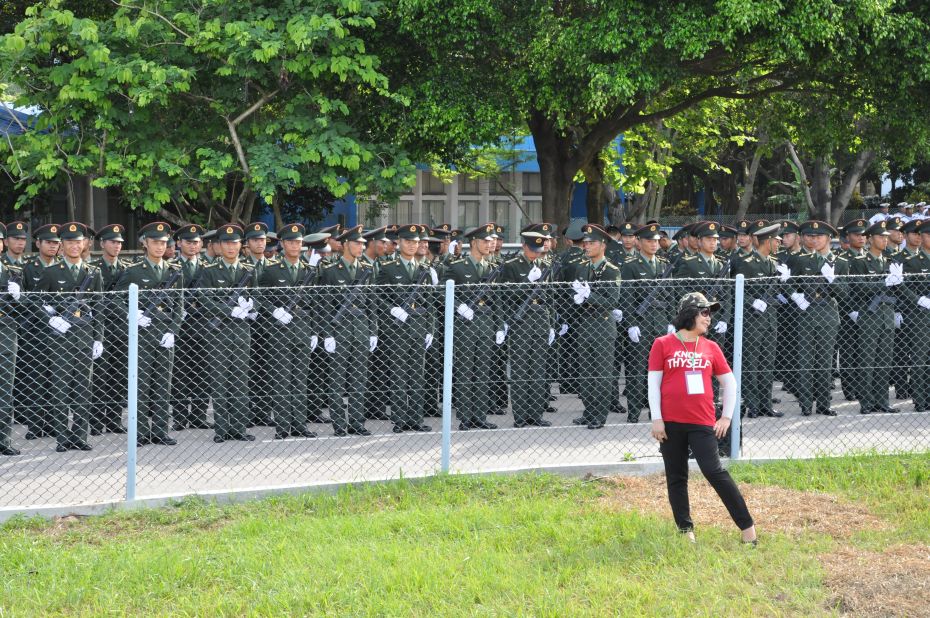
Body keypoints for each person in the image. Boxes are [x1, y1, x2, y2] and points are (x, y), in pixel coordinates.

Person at [648, 292, 757, 545]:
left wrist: (727, 418)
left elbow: (729, 384)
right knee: (676, 476)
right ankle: (686, 532)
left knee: (714, 471)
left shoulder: (711, 347)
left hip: (701, 423)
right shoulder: (662, 344)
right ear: (689, 315)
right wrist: (657, 419)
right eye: (705, 312)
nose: (709, 318)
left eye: (710, 313)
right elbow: (653, 384)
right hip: (670, 424)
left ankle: (747, 528)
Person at [37, 222, 104, 453]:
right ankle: (62, 437)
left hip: (84, 336)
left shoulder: (93, 273)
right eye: (69, 242)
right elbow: (36, 301)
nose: (74, 246)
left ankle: (79, 436)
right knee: (60, 389)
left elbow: (100, 306)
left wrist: (99, 338)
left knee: (83, 389)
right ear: (61, 246)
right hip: (61, 339)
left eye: (78, 242)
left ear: (84, 244)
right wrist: (51, 318)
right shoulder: (51, 272)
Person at [115, 222, 183, 446]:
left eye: (164, 243)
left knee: (164, 385)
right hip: (142, 333)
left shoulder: (174, 272)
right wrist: (131, 314)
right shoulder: (133, 271)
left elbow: (180, 305)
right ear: (145, 243)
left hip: (165, 334)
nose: (160, 247)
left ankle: (161, 430)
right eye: (155, 242)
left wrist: (173, 330)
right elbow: (115, 299)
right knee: (141, 384)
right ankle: (141, 432)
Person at [197, 224, 258, 443]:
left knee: (240, 381)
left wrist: (250, 306)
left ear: (241, 245)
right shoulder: (210, 271)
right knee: (220, 381)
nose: (231, 247)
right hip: (219, 333)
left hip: (241, 332)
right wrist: (228, 310)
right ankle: (222, 429)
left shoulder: (248, 270)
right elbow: (203, 298)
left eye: (235, 243)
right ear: (219, 246)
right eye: (226, 243)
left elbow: (257, 295)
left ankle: (239, 428)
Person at [259, 223, 318, 439]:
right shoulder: (272, 270)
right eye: (291, 242)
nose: (295, 245)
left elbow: (314, 303)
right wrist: (274, 311)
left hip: (302, 329)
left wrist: (314, 330)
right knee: (282, 380)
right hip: (281, 331)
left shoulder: (308, 270)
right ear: (282, 244)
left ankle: (300, 425)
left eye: (298, 242)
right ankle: (283, 426)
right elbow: (260, 297)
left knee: (301, 380)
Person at [377, 224, 437, 433]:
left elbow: (429, 302)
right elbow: (378, 297)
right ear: (399, 243)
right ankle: (400, 419)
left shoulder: (424, 269)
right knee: (399, 374)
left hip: (419, 325)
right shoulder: (388, 268)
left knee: (417, 374)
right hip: (399, 329)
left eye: (416, 242)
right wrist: (392, 309)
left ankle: (416, 419)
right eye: (408, 241)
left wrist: (431, 328)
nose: (413, 245)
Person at [317, 225, 376, 437]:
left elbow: (371, 304)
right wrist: (327, 334)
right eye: (357, 243)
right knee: (337, 380)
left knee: (359, 379)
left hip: (360, 329)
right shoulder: (331, 271)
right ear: (345, 245)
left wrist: (373, 331)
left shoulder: (366, 269)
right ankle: (340, 425)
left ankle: (357, 423)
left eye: (362, 243)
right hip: (339, 329)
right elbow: (324, 306)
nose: (361, 247)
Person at [567, 223, 621, 429]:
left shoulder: (611, 271)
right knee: (586, 373)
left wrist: (590, 296)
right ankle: (589, 411)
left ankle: (599, 415)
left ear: (603, 245)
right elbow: (574, 294)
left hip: (602, 325)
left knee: (602, 374)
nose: (586, 246)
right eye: (585, 243)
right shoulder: (583, 267)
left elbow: (611, 301)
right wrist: (577, 297)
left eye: (591, 243)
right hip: (585, 325)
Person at [90, 224, 129, 435]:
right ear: (102, 243)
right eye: (113, 242)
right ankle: (95, 422)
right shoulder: (94, 268)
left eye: (119, 243)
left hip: (121, 326)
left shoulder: (127, 268)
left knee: (119, 375)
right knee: (99, 376)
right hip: (101, 326)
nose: (117, 246)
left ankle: (113, 419)